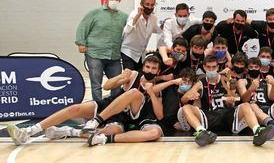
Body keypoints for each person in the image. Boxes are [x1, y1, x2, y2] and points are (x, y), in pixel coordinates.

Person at [7, 54, 162, 145]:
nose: (150, 70)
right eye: (147, 67)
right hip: (111, 105)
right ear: (143, 67)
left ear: (158, 71)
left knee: (107, 131)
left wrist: (153, 93)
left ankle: (68, 131)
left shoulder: (158, 86)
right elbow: (107, 86)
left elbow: (159, 114)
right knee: (75, 109)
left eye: (153, 68)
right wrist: (121, 77)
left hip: (127, 115)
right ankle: (29, 131)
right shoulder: (133, 75)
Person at [178, 55, 274, 147]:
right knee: (186, 108)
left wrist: (231, 101)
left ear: (218, 67)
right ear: (204, 67)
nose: (211, 69)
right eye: (208, 67)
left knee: (246, 104)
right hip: (210, 114)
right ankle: (202, 132)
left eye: (214, 67)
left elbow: (236, 98)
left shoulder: (226, 80)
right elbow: (183, 99)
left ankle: (257, 131)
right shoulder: (201, 82)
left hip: (226, 114)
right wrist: (190, 96)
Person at [75, 0, 128, 101]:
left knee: (117, 84)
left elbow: (131, 30)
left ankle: (113, 108)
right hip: (95, 54)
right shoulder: (94, 13)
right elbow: (82, 27)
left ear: (119, 0)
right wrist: (81, 43)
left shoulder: (124, 16)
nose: (114, 1)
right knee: (96, 84)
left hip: (114, 56)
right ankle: (97, 108)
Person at [120, 0, 161, 71]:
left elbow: (158, 30)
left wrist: (165, 25)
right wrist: (138, 14)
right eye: (147, 4)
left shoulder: (153, 18)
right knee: (129, 76)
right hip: (128, 51)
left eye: (152, 5)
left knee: (139, 77)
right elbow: (127, 30)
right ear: (141, 4)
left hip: (140, 54)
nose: (150, 7)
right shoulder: (134, 14)